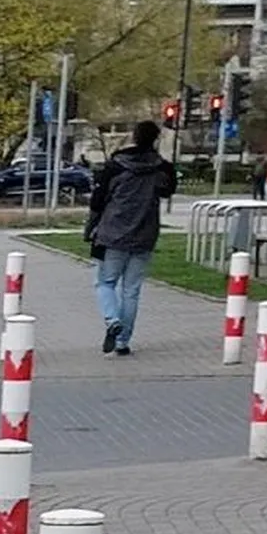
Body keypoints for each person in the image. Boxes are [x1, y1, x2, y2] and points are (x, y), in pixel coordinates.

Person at [85, 119, 179, 356]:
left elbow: (98, 200)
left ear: (134, 136)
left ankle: (112, 319)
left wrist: (90, 228)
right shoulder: (162, 168)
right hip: (145, 233)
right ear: (155, 139)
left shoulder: (116, 166)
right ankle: (123, 341)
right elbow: (168, 190)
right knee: (132, 290)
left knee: (105, 282)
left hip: (113, 232)